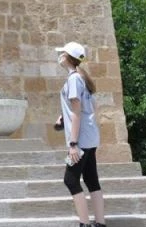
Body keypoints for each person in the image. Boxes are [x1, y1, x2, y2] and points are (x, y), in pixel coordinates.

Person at [56, 42, 105, 227]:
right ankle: (100, 223)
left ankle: (84, 224)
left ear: (68, 57)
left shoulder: (74, 79)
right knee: (92, 179)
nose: (59, 55)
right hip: (90, 137)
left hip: (81, 140)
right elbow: (88, 107)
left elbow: (77, 112)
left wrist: (73, 144)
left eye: (62, 53)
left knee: (70, 180)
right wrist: (63, 117)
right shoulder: (80, 78)